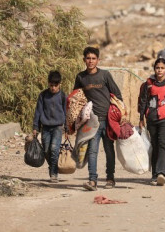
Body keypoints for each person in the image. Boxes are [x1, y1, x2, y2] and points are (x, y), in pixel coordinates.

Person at [74, 46, 123, 191]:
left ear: (98, 60)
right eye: (88, 58)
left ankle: (110, 178)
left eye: (93, 58)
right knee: (92, 151)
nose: (90, 61)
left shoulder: (105, 75)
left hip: (108, 120)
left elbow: (117, 95)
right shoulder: (80, 77)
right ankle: (92, 180)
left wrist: (118, 114)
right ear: (84, 60)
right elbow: (76, 98)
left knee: (109, 150)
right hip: (92, 122)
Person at [138, 58, 165, 186]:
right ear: (154, 69)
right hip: (151, 118)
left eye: (162, 68)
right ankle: (154, 174)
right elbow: (143, 101)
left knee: (163, 143)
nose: (159, 70)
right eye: (157, 68)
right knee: (154, 145)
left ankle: (162, 173)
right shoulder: (148, 84)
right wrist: (141, 118)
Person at [32, 70, 67, 183]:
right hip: (45, 127)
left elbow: (66, 112)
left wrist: (67, 127)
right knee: (46, 150)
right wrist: (35, 127)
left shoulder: (62, 96)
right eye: (51, 85)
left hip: (57, 127)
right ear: (48, 84)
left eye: (55, 85)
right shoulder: (43, 95)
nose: (53, 88)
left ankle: (54, 173)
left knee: (54, 148)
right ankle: (52, 167)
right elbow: (38, 112)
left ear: (59, 84)